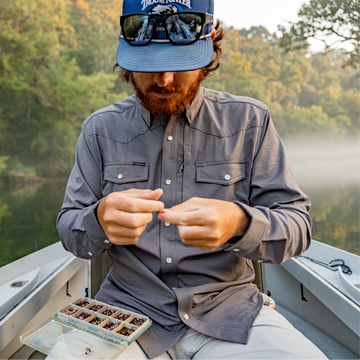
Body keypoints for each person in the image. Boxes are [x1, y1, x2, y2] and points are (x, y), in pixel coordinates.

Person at [57, 0, 328, 359]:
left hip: (231, 311)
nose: (164, 81)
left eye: (179, 65)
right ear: (126, 58)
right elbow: (70, 230)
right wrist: (98, 220)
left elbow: (298, 228)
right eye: (149, 66)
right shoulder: (99, 130)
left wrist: (240, 223)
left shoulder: (250, 121)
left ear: (209, 51)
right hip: (125, 317)